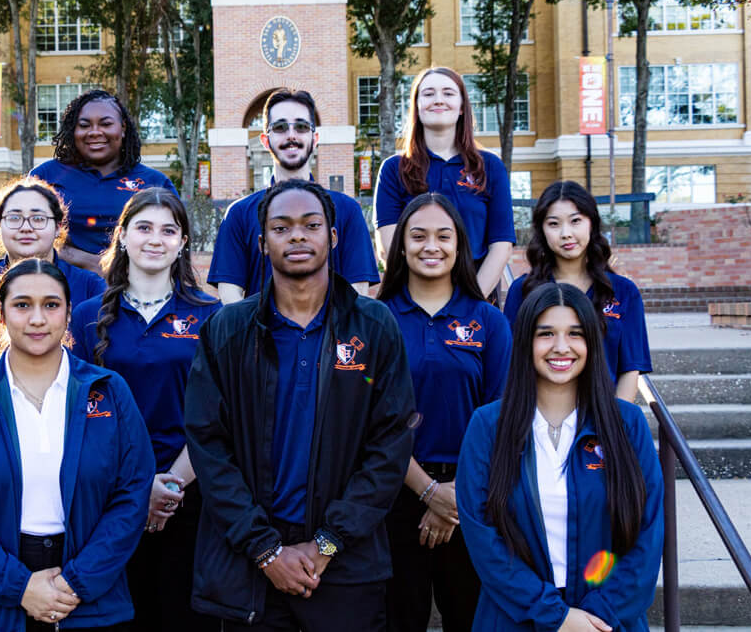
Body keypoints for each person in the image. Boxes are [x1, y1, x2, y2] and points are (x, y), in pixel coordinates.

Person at [185, 179, 415, 631]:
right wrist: (265, 550)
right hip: (249, 566)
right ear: (261, 242)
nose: (296, 237)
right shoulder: (226, 332)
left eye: (311, 225)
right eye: (281, 227)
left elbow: (391, 442)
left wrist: (328, 543)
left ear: (332, 237)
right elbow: (209, 446)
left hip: (346, 567)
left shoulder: (373, 326)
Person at [0, 258, 155, 631]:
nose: (37, 319)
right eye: (22, 305)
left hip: (89, 596)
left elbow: (132, 494)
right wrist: (20, 586)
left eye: (51, 305)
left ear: (68, 314)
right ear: (0, 315)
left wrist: (75, 582)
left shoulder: (109, 390)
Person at [456, 283, 663, 632]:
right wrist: (558, 616)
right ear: (525, 342)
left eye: (575, 334)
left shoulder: (626, 424)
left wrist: (596, 618)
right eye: (546, 333)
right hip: (513, 618)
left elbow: (648, 533)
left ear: (591, 342)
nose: (561, 347)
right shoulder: (488, 425)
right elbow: (483, 538)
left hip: (607, 622)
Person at [70, 187, 221, 632]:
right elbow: (78, 413)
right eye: (144, 227)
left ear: (183, 243)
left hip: (189, 495)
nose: (156, 239)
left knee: (183, 617)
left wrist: (170, 484)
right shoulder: (85, 316)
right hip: (108, 498)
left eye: (168, 230)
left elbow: (220, 416)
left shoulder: (211, 316)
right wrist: (138, 490)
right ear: (122, 236)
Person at [375, 192, 512, 632]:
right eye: (418, 235)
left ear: (460, 246)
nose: (431, 246)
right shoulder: (376, 319)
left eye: (443, 235)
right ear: (401, 246)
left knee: (471, 620)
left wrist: (454, 496)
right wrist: (428, 492)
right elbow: (369, 421)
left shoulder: (488, 322)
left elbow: (501, 417)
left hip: (474, 497)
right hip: (393, 495)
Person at [207, 89, 379, 303]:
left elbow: (358, 292)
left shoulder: (347, 210)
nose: (291, 135)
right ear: (265, 140)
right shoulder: (239, 214)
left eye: (301, 126)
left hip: (332, 335)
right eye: (280, 127)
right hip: (261, 335)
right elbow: (230, 294)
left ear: (314, 138)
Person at [0, 177, 105, 376]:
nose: (26, 227)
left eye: (38, 219)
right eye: (14, 218)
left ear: (58, 227)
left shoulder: (90, 286)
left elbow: (105, 353)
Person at [373, 67, 515, 299]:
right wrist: (422, 302)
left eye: (448, 93)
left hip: (476, 301)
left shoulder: (490, 167)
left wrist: (470, 305)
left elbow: (501, 245)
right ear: (417, 107)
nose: (438, 100)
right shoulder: (394, 169)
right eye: (428, 94)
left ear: (461, 107)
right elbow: (388, 248)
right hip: (413, 303)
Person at [503, 181, 651, 401]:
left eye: (575, 221)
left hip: (602, 419)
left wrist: (613, 426)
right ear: (542, 231)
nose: (566, 233)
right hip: (538, 419)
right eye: (554, 224)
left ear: (591, 223)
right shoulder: (522, 291)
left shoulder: (623, 291)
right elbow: (511, 366)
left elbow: (630, 370)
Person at [30, 89, 179, 272]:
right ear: (73, 130)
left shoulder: (155, 183)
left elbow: (175, 241)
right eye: (84, 125)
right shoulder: (45, 177)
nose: (95, 132)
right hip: (60, 285)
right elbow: (27, 235)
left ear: (123, 128)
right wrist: (92, 263)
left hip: (134, 286)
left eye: (106, 124)